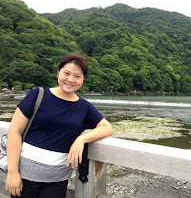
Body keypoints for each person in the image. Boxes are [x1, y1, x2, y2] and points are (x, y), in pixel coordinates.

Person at [5, 53, 113, 198]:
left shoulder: (84, 107)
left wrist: (81, 139)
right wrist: (13, 173)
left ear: (83, 79)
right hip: (24, 178)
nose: (70, 79)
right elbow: (15, 131)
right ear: (58, 73)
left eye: (77, 76)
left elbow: (107, 127)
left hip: (57, 181)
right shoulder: (38, 94)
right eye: (66, 73)